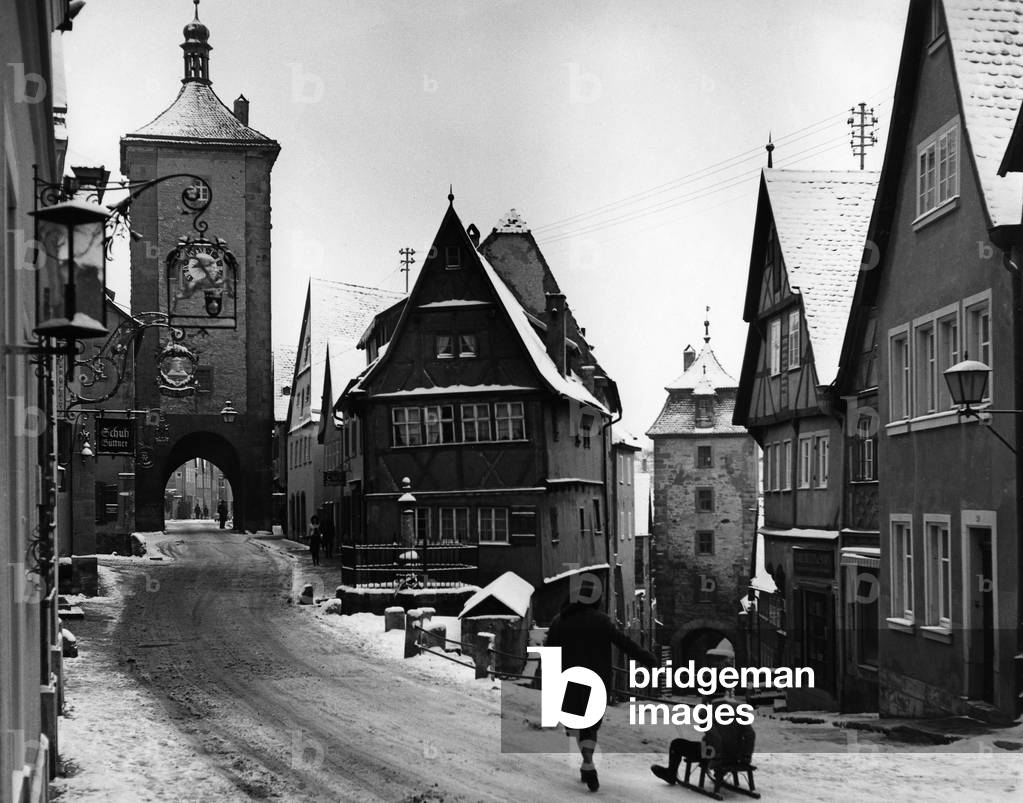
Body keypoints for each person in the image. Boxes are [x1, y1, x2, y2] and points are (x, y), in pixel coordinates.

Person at [545, 592, 658, 792]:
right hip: (596, 681)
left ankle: (587, 761)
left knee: (576, 724)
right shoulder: (601, 621)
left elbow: (550, 652)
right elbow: (624, 643)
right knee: (590, 726)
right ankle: (587, 761)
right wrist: (646, 658)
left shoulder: (559, 621)